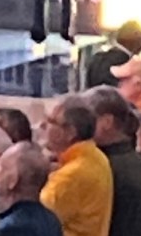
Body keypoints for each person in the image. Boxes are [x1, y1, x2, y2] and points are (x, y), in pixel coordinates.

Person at [37, 95, 113, 236]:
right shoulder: (96, 156)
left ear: (70, 133)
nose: (42, 125)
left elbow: (35, 222)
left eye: (51, 121)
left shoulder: (70, 176)